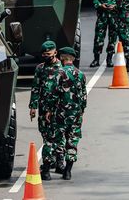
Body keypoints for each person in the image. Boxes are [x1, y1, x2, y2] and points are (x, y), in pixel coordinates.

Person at [49, 47, 87, 181]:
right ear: (73, 59)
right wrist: (81, 111)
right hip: (75, 114)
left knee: (59, 139)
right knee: (72, 140)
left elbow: (53, 94)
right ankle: (68, 170)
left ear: (62, 58)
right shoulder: (81, 74)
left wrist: (49, 110)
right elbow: (83, 96)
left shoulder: (58, 73)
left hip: (60, 113)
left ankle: (60, 163)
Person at [29, 40, 63, 180]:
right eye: (43, 54)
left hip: (58, 107)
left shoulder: (62, 69)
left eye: (48, 54)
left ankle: (59, 161)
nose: (46, 56)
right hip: (43, 107)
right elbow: (36, 88)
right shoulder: (40, 68)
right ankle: (52, 159)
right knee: (45, 133)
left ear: (55, 52)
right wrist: (33, 106)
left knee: (58, 134)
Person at [91, 0, 122, 68]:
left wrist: (115, 6)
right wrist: (100, 5)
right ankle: (96, 59)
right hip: (102, 16)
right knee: (99, 38)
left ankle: (109, 58)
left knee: (112, 38)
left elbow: (122, 0)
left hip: (114, 16)